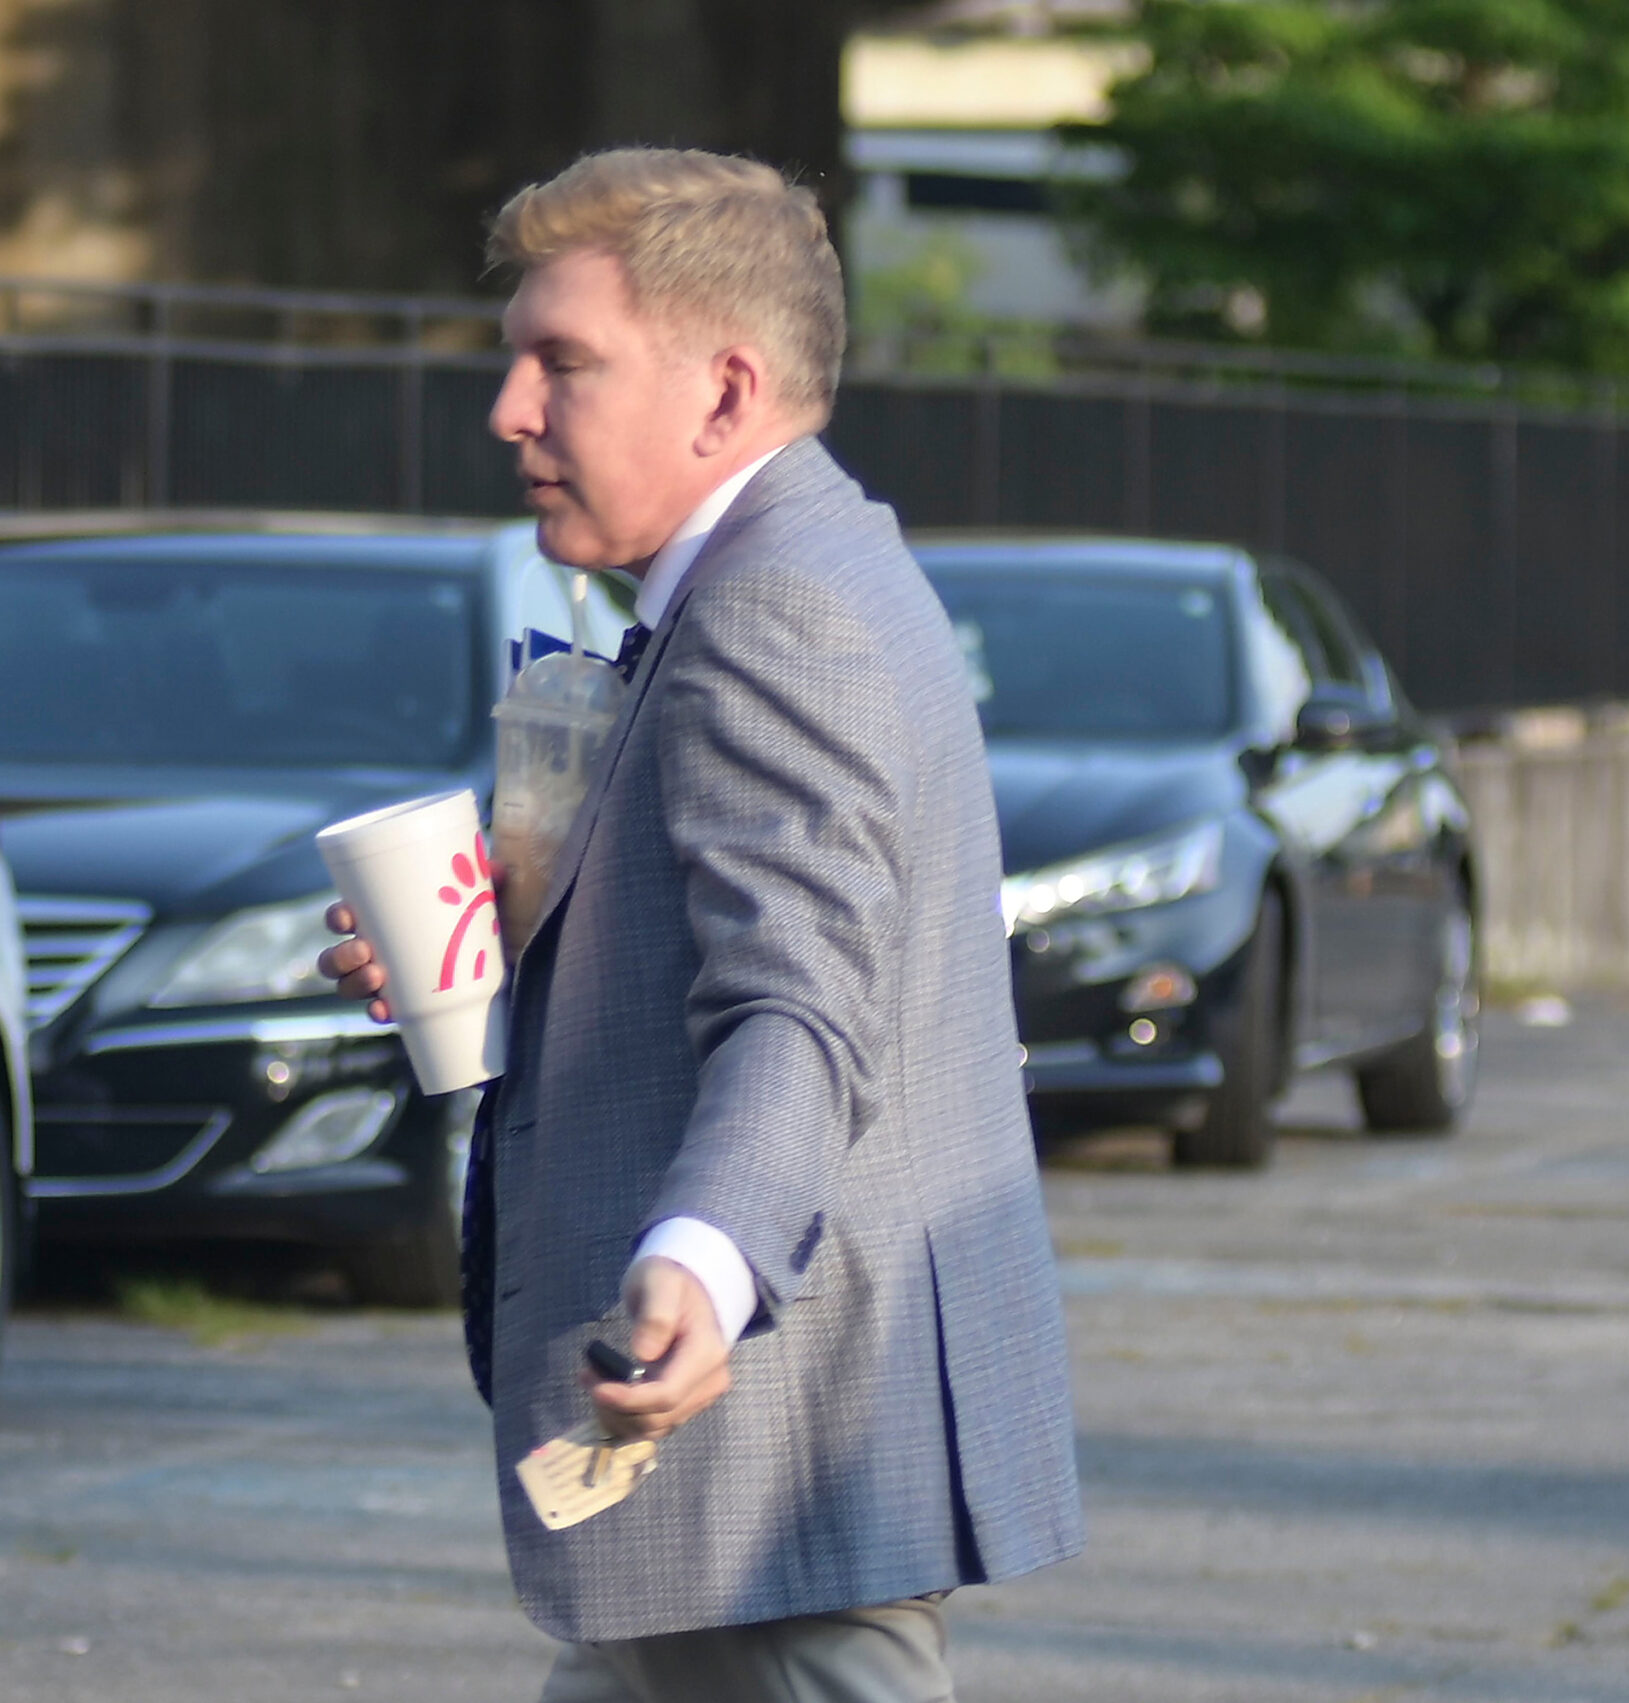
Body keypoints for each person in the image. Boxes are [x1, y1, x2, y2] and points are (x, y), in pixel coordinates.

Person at [318, 147, 1080, 1703]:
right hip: (737, 1467)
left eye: (564, 364)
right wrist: (516, 958)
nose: (510, 409)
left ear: (724, 393)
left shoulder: (776, 607)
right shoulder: (792, 565)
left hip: (775, 1444)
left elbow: (801, 1001)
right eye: (515, 358)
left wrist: (706, 1258)